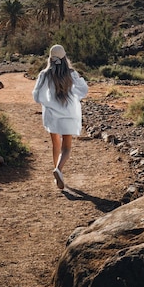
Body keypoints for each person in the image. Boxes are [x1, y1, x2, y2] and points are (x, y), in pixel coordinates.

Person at [32, 44, 88, 190]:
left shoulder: (45, 73)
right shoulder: (71, 72)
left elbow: (37, 95)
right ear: (64, 57)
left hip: (52, 114)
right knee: (67, 147)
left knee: (56, 144)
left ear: (50, 57)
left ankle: (58, 175)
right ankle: (58, 169)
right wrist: (74, 92)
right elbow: (83, 89)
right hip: (68, 113)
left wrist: (48, 103)